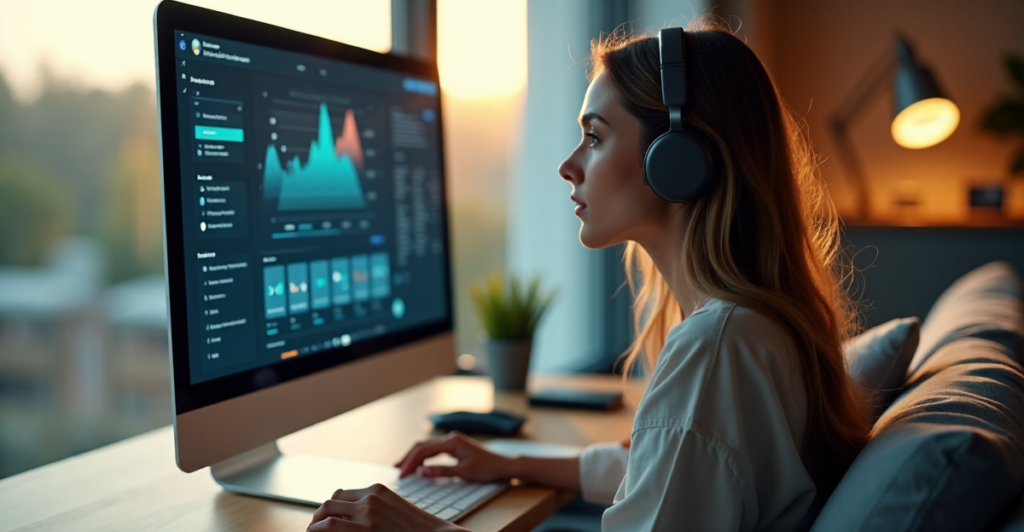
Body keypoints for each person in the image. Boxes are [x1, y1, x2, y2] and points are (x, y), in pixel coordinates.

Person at [306, 18, 871, 532]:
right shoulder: (755, 329)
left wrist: (423, 529)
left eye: (595, 137)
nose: (567, 166)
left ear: (676, 161)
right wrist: (508, 461)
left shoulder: (716, 348)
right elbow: (671, 472)